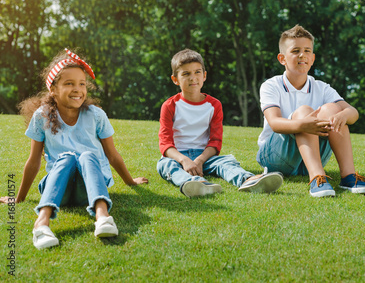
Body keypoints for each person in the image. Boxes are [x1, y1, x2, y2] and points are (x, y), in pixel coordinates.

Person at [0, 48, 148, 250]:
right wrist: (19, 198)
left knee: (87, 155)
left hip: (91, 188)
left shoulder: (96, 115)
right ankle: (41, 224)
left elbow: (112, 156)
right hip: (60, 190)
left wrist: (130, 181)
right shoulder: (42, 116)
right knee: (67, 158)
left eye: (81, 84)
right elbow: (33, 161)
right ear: (53, 89)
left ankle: (103, 217)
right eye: (69, 84)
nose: (78, 89)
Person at [256, 25, 365, 197]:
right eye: (295, 51)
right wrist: (302, 124)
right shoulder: (271, 86)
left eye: (307, 51)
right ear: (282, 58)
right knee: (304, 111)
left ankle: (348, 176)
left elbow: (353, 113)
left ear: (312, 58)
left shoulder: (321, 87)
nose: (302, 55)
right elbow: (274, 123)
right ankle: (317, 178)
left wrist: (343, 115)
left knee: (333, 109)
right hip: (277, 156)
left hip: (312, 155)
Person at [157, 49, 282, 197]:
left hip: (205, 157)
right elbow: (165, 143)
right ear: (175, 79)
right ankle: (193, 183)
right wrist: (184, 160)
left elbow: (215, 142)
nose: (193, 78)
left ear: (204, 76)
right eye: (186, 74)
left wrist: (199, 160)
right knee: (165, 165)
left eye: (197, 72)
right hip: (178, 157)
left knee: (226, 162)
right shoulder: (169, 105)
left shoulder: (214, 105)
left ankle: (248, 179)